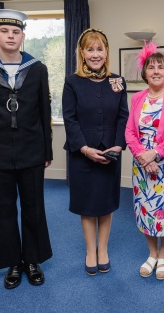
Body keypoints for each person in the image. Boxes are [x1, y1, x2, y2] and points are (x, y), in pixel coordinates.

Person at [0, 9, 53, 289]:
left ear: (23, 36)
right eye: (4, 31)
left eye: (16, 32)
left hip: (32, 150)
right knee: (5, 209)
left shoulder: (38, 68)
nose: (10, 36)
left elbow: (45, 111)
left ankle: (32, 260)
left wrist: (47, 151)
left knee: (33, 208)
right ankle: (12, 263)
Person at [62, 28, 128, 276]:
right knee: (88, 204)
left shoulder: (117, 81)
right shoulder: (72, 82)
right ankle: (91, 251)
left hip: (110, 151)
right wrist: (85, 148)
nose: (95, 54)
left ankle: (103, 249)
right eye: (90, 49)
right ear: (82, 52)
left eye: (99, 49)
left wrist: (119, 145)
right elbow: (69, 119)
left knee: (106, 204)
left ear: (107, 51)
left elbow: (124, 117)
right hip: (83, 153)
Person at [125, 41, 164, 281]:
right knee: (146, 209)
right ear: (144, 73)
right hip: (142, 166)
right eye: (151, 67)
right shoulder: (137, 99)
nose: (155, 71)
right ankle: (152, 253)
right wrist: (143, 156)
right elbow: (130, 133)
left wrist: (156, 153)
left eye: (160, 67)